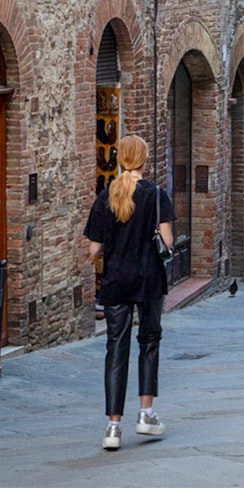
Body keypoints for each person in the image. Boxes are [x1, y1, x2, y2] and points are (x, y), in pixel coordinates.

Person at [85, 134, 176, 451]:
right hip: (149, 279)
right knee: (149, 341)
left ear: (121, 158)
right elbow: (168, 243)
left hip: (116, 281)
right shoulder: (156, 195)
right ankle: (146, 413)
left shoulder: (105, 197)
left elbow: (94, 247)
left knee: (116, 349)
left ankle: (113, 427)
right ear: (144, 159)